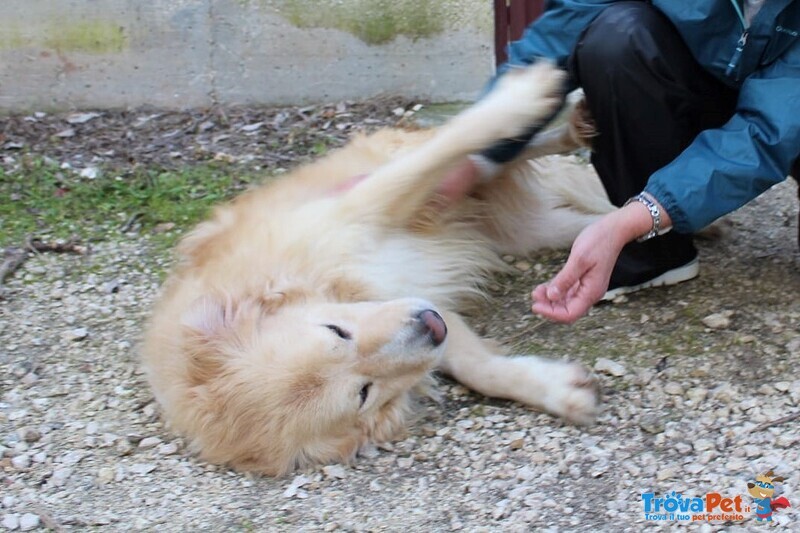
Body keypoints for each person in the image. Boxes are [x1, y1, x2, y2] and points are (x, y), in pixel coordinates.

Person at [444, 0, 800, 324]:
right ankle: (656, 254)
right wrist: (479, 153)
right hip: (703, 85)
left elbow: (769, 131)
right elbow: (562, 32)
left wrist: (633, 218)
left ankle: (654, 220)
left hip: (788, 110)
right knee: (615, 38)